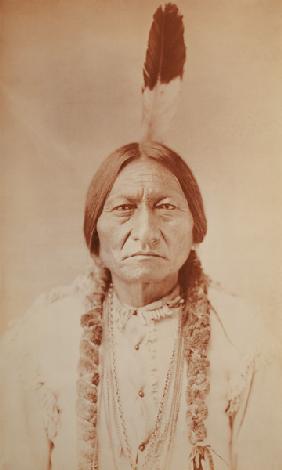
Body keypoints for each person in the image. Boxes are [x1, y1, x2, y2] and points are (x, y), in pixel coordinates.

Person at [1, 140, 280, 470]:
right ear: (95, 237)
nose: (145, 232)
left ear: (195, 230)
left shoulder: (243, 337)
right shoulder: (40, 338)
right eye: (123, 208)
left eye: (166, 207)